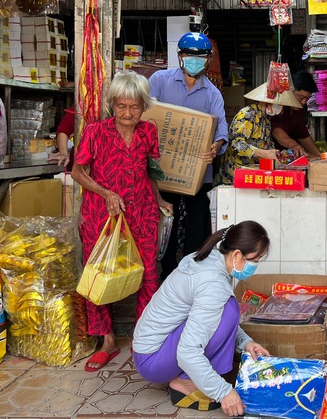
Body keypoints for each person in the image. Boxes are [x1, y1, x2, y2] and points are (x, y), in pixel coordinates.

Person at [71, 70, 174, 372]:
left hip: (142, 211)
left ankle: (146, 336)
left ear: (143, 106)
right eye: (121, 106)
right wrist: (105, 192)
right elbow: (78, 172)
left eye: (134, 107)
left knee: (149, 274)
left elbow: (151, 172)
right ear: (111, 105)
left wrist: (159, 200)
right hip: (102, 214)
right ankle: (107, 341)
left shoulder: (148, 132)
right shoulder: (95, 132)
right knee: (98, 276)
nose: (127, 113)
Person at [132, 221, 271, 416]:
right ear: (237, 255)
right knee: (229, 309)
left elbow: (208, 318)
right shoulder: (212, 282)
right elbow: (187, 351)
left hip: (150, 349)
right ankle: (185, 381)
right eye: (255, 260)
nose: (255, 266)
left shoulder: (212, 260)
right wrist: (223, 392)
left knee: (226, 309)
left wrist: (246, 343)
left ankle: (193, 375)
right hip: (152, 361)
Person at [149, 32, 229, 281]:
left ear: (207, 61)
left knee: (196, 226)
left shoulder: (213, 93)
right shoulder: (159, 81)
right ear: (180, 57)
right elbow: (147, 117)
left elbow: (222, 132)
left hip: (198, 173)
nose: (195, 61)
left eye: (201, 57)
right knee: (168, 226)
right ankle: (167, 275)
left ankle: (192, 275)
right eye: (190, 56)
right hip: (164, 173)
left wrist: (215, 147)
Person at [218, 82, 302, 184]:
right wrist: (264, 153)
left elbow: (266, 144)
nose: (281, 110)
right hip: (235, 176)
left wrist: (278, 156)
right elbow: (236, 144)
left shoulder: (266, 119)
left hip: (252, 175)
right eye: (280, 105)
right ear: (269, 102)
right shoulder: (248, 114)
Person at [270, 70, 321, 158]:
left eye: (307, 99)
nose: (304, 102)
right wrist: (295, 146)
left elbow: (302, 134)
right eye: (301, 97)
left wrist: (319, 156)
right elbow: (276, 130)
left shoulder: (297, 109)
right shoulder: (277, 106)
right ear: (290, 90)